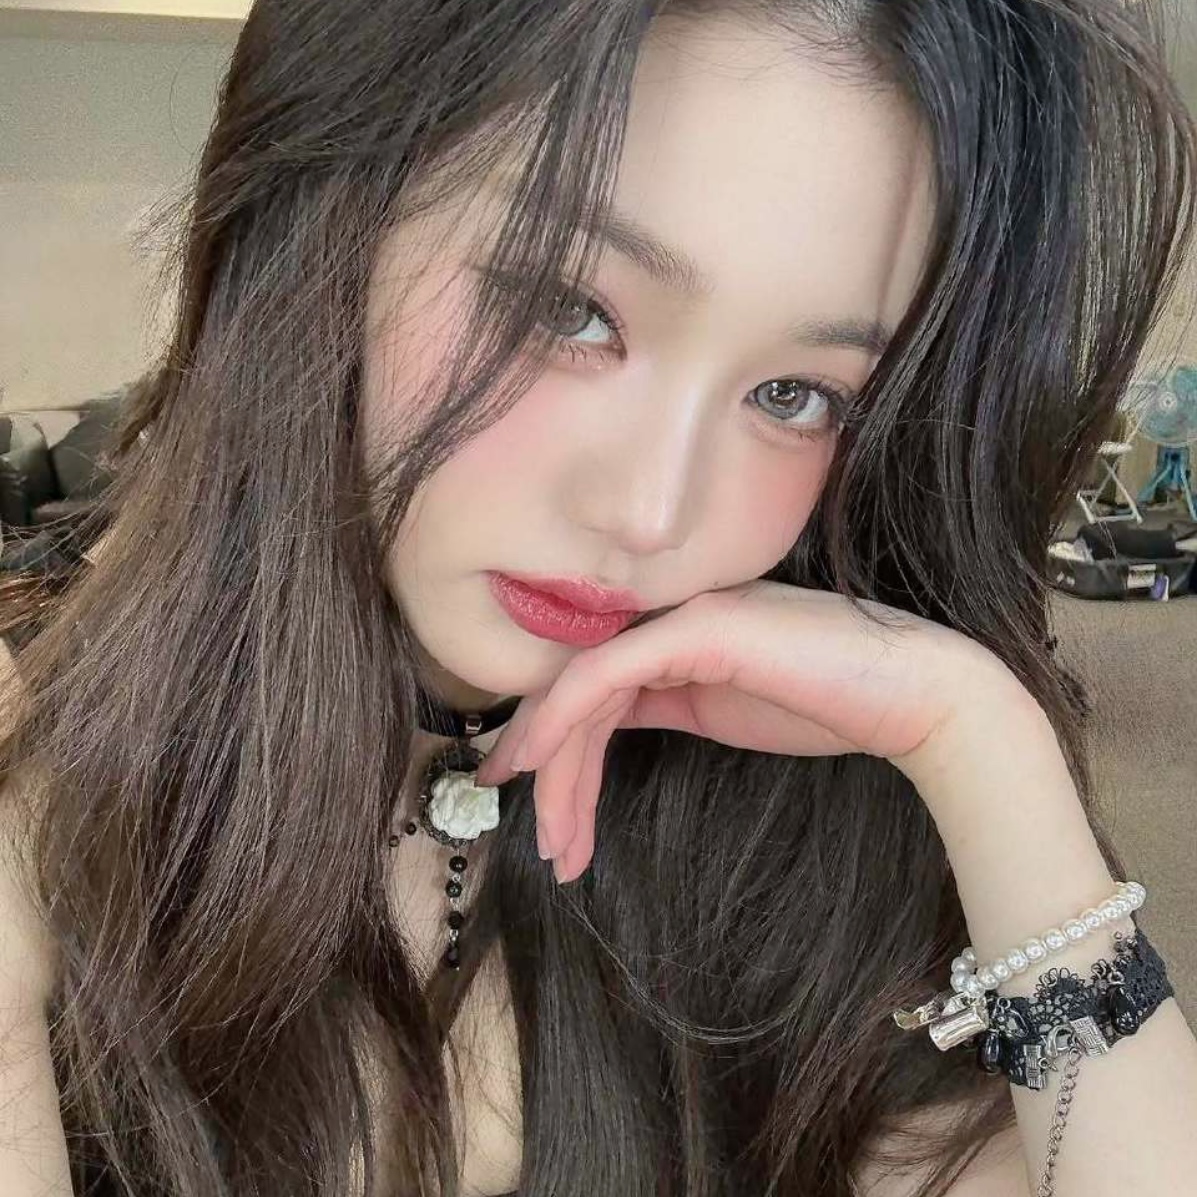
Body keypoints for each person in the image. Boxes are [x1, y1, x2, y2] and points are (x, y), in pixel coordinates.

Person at [0, 1, 1194, 1194]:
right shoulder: (44, 799)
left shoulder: (824, 812)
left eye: (796, 395)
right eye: (567, 310)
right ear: (319, 227)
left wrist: (983, 748)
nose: (654, 515)